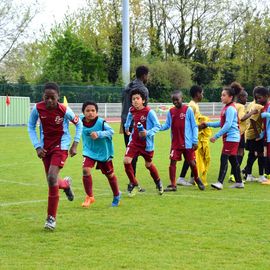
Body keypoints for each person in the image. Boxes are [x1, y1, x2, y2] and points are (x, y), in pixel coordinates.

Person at [28, 82, 82, 230]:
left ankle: (51, 218)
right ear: (43, 97)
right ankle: (65, 184)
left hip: (61, 146)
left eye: (52, 98)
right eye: (47, 98)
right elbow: (30, 126)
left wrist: (75, 144)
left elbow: (79, 124)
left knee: (52, 177)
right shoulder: (38, 108)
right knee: (52, 180)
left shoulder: (64, 110)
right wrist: (37, 146)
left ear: (58, 97)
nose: (49, 101)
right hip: (45, 148)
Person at [160, 91, 205, 192]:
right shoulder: (171, 112)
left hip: (188, 143)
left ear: (182, 98)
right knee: (172, 162)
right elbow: (167, 125)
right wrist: (157, 127)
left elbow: (194, 126)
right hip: (175, 143)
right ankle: (173, 185)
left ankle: (197, 179)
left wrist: (195, 141)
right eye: (173, 100)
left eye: (177, 99)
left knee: (192, 163)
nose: (175, 102)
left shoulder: (188, 110)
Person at [202, 83, 244, 190]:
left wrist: (216, 136)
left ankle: (220, 182)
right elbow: (221, 123)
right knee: (233, 160)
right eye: (221, 95)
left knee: (224, 158)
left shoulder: (230, 108)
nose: (222, 97)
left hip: (232, 137)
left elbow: (228, 125)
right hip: (231, 138)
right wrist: (208, 124)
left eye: (224, 95)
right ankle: (239, 182)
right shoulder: (227, 107)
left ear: (230, 97)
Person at [80, 101, 121, 207]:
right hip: (89, 151)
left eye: (93, 110)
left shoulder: (101, 122)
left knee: (110, 175)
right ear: (83, 112)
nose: (90, 113)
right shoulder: (80, 120)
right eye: (87, 111)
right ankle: (89, 196)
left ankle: (116, 195)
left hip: (103, 153)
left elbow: (111, 131)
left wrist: (99, 134)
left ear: (97, 112)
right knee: (85, 170)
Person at [124, 89, 163, 197]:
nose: (135, 101)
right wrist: (127, 127)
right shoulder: (132, 110)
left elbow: (158, 126)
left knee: (148, 164)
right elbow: (129, 117)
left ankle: (158, 181)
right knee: (126, 161)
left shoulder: (149, 112)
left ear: (143, 100)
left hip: (146, 144)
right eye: (133, 99)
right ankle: (134, 183)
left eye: (137, 98)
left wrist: (148, 133)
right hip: (134, 142)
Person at [121, 65, 149, 191]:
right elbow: (144, 111)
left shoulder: (127, 88)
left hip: (125, 122)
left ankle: (132, 182)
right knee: (136, 154)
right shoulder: (143, 90)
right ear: (144, 75)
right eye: (147, 75)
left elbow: (124, 105)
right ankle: (132, 184)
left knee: (130, 152)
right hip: (137, 124)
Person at [176, 85, 210, 186]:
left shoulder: (195, 104)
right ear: (197, 94)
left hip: (194, 135)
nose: (202, 95)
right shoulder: (192, 106)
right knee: (190, 157)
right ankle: (181, 178)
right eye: (202, 93)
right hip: (190, 136)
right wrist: (199, 126)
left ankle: (192, 178)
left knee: (193, 157)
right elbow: (188, 122)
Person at [242, 87, 265, 182]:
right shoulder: (258, 106)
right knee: (260, 154)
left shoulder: (252, 104)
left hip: (249, 133)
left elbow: (248, 116)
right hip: (255, 134)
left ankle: (248, 174)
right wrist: (257, 134)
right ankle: (260, 176)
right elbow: (253, 119)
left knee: (252, 155)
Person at [254, 87, 270, 184]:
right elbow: (266, 125)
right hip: (267, 136)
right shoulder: (264, 107)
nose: (258, 100)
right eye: (257, 98)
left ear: (266, 96)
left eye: (259, 98)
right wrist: (261, 134)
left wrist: (267, 114)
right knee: (267, 156)